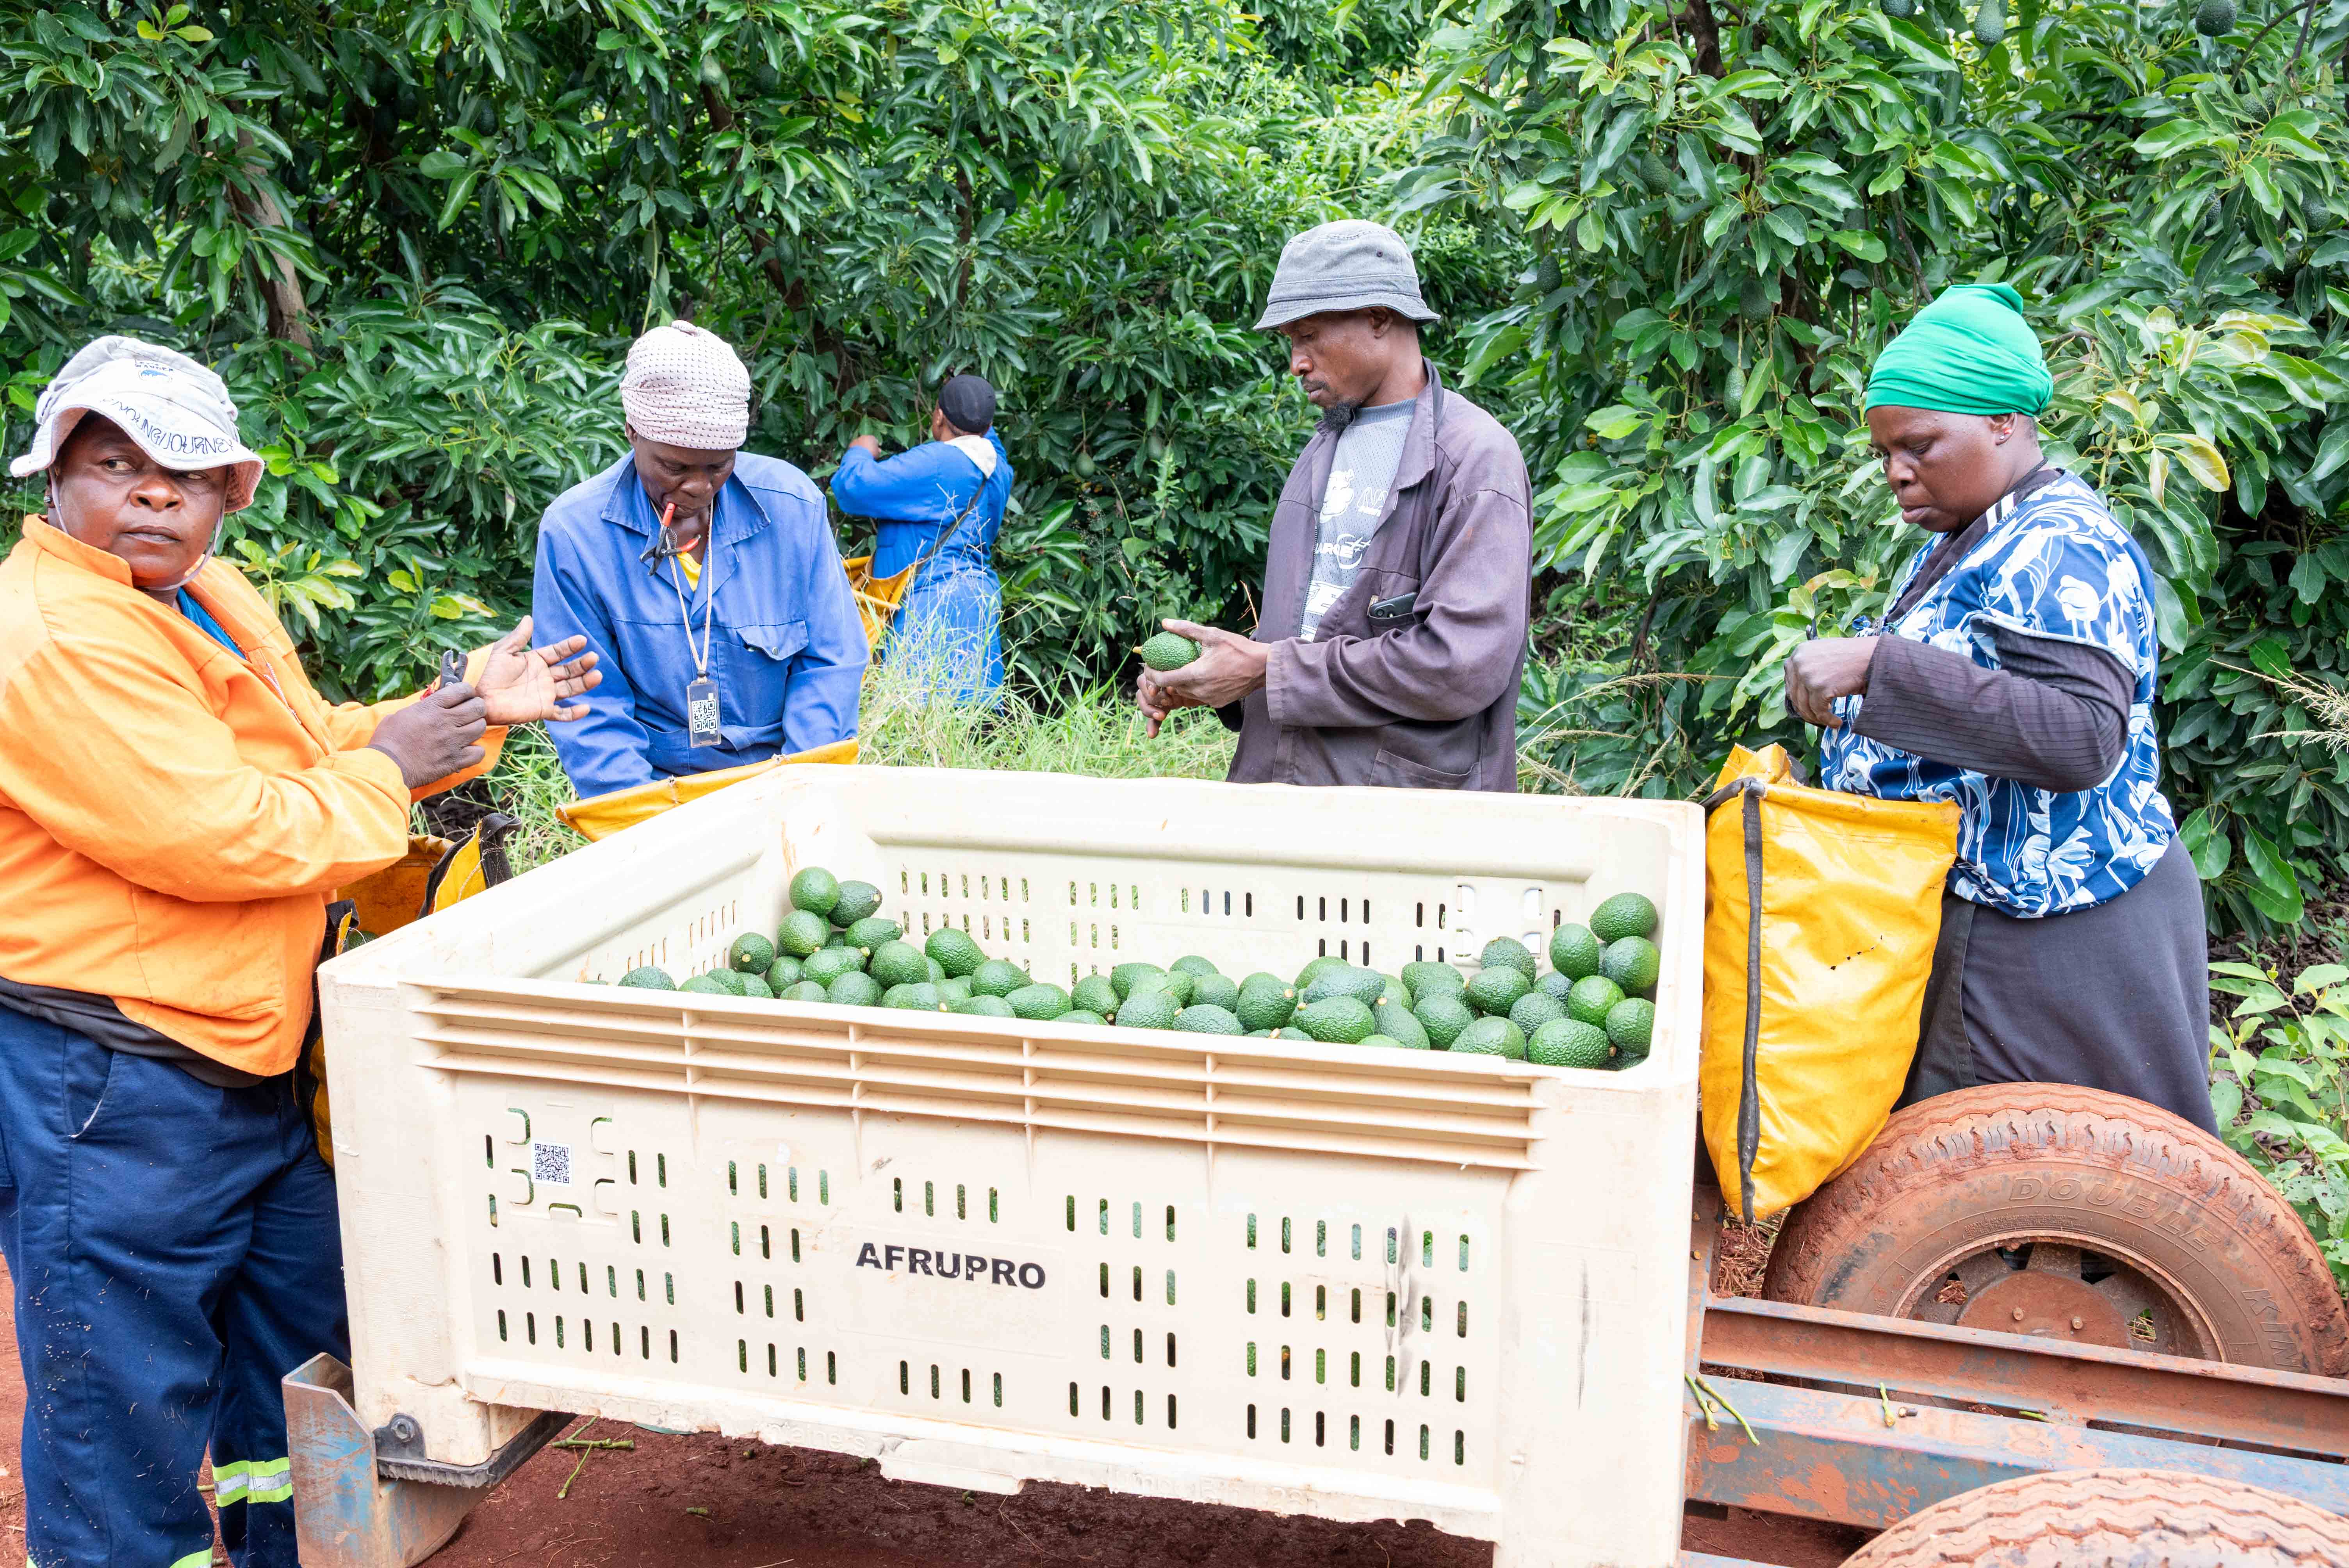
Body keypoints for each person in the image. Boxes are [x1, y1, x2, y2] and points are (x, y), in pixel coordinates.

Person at [0, 335, 598, 1568]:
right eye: (115, 463)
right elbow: (219, 833)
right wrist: (395, 769)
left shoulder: (204, 599)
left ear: (228, 495)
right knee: (122, 1398)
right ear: (53, 483)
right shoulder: (55, 637)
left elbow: (300, 748)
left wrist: (461, 715)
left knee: (295, 1343)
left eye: (186, 471)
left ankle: (288, 1546)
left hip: (255, 1057)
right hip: (110, 1079)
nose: (153, 492)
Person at [1783, 283, 2214, 1131]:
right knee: (1990, 1198)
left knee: (2068, 1199)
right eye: (1883, 454)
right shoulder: (1975, 534)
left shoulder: (2059, 541)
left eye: (1917, 444)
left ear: (2002, 423)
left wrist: (1877, 665)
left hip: (2061, 937)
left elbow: (2081, 734)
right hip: (2006, 925)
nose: (1896, 471)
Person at [1135, 220, 1532, 789]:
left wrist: (1267, 669)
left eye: (1309, 335)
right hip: (1276, 800)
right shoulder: (1321, 451)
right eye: (1290, 342)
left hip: (1398, 826)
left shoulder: (1475, 459)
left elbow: (1460, 666)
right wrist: (1215, 678)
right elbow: (1305, 637)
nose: (1296, 362)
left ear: (1378, 317)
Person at [532, 320, 866, 800]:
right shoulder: (575, 534)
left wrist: (800, 793)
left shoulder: (793, 506)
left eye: (718, 466)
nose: (698, 487)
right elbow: (593, 709)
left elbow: (831, 665)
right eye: (674, 467)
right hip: (654, 791)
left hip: (787, 778)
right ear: (631, 432)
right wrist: (649, 826)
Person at [829, 373, 1012, 700]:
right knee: (965, 725)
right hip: (977, 600)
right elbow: (983, 428)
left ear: (939, 415)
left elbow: (853, 489)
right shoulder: (998, 468)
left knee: (914, 723)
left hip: (929, 604)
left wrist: (860, 452)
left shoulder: (940, 463)